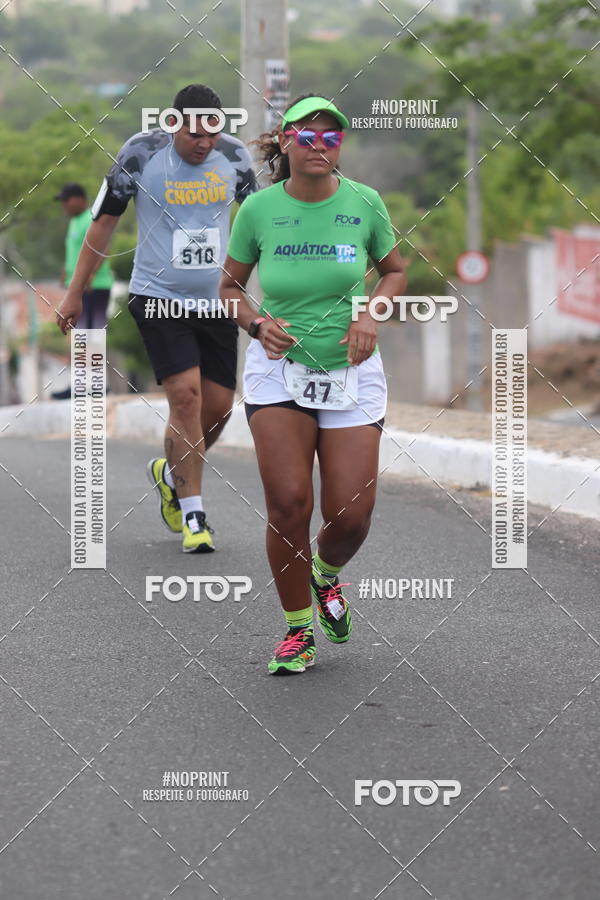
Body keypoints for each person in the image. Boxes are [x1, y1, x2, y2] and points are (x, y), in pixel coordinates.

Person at [219, 94, 406, 674]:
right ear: (286, 142)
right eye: (307, 136)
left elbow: (395, 273)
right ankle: (298, 629)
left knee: (350, 515)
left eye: (332, 137)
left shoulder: (364, 203)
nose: (320, 146)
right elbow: (229, 288)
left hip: (350, 370)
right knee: (289, 502)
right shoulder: (258, 210)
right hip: (279, 372)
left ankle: (325, 576)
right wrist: (257, 323)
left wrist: (371, 314)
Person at [56, 84, 256, 553]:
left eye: (211, 134)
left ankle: (171, 475)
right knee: (185, 397)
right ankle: (194, 515)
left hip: (218, 301)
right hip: (158, 297)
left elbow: (260, 221)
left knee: (218, 407)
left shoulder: (235, 157)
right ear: (173, 124)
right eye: (193, 134)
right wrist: (74, 292)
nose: (204, 143)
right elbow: (103, 224)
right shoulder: (140, 154)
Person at [52, 182, 114, 400]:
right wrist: (66, 273)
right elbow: (76, 252)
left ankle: (96, 384)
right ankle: (79, 383)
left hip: (94, 286)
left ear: (79, 199)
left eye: (66, 201)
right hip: (78, 287)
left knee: (92, 333)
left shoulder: (90, 218)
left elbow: (104, 247)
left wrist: (90, 275)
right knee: (80, 335)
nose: (64, 206)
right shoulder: (74, 222)